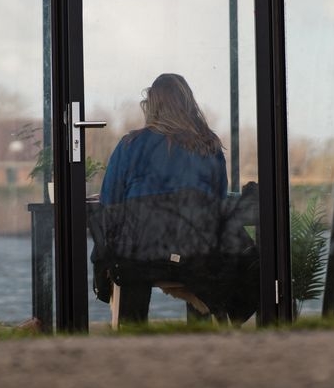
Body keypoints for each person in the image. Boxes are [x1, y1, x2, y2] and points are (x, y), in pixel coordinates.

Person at [91, 73, 258, 325]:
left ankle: (131, 335)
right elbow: (215, 203)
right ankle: (202, 335)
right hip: (196, 256)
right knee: (204, 258)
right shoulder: (209, 147)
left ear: (152, 106)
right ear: (189, 104)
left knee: (130, 257)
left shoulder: (130, 145)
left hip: (137, 257)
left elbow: (110, 203)